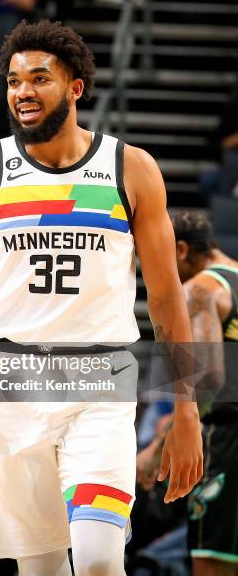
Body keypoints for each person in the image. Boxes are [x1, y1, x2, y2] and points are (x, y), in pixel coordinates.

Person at [0, 20, 203, 575]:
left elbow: (167, 299)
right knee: (41, 569)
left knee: (96, 561)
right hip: (8, 384)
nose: (23, 91)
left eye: (39, 78)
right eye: (15, 80)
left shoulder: (130, 168)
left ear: (75, 88)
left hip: (98, 381)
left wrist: (186, 408)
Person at [137, 210, 238, 576]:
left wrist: (159, 446)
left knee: (212, 566)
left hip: (228, 443)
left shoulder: (199, 289)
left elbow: (208, 377)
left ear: (180, 249)